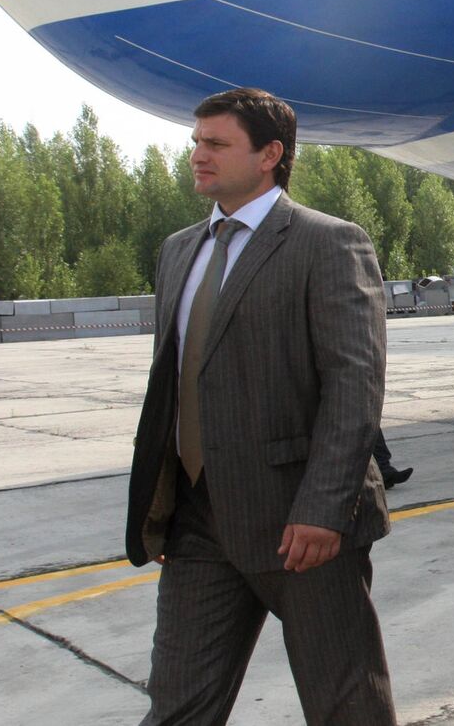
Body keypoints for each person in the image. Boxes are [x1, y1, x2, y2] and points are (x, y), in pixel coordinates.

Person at [124, 88, 397, 725]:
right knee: (177, 708)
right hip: (197, 521)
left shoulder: (327, 244)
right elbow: (174, 386)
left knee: (346, 706)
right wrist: (160, 504)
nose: (198, 155)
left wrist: (325, 510)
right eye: (196, 142)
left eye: (216, 144)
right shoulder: (177, 251)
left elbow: (354, 386)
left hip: (300, 525)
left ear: (271, 154)